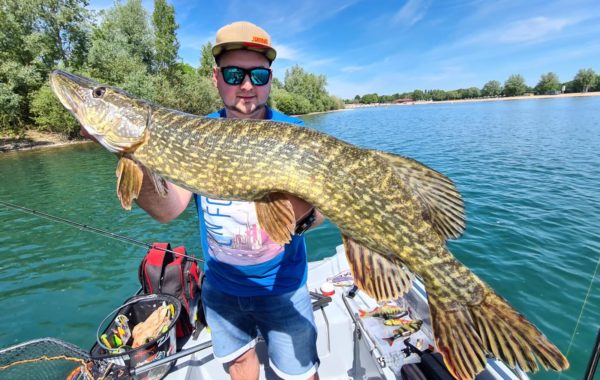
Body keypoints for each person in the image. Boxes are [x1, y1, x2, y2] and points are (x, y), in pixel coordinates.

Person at [134, 21, 323, 380]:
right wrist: (130, 153)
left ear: (270, 78)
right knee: (238, 363)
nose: (248, 85)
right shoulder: (194, 135)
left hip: (283, 288)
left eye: (258, 75)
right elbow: (167, 209)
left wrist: (300, 213)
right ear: (216, 78)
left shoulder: (295, 133)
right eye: (235, 74)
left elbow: (323, 214)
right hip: (221, 290)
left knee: (301, 375)